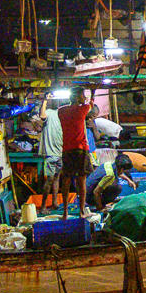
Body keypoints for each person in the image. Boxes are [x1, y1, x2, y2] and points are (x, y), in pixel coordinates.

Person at [56, 87, 97, 215]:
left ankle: (65, 212)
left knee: (66, 180)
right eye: (82, 95)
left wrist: (81, 99)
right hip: (80, 149)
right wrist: (90, 95)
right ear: (79, 97)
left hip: (67, 150)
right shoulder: (83, 109)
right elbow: (91, 105)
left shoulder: (61, 111)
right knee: (81, 180)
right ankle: (81, 211)